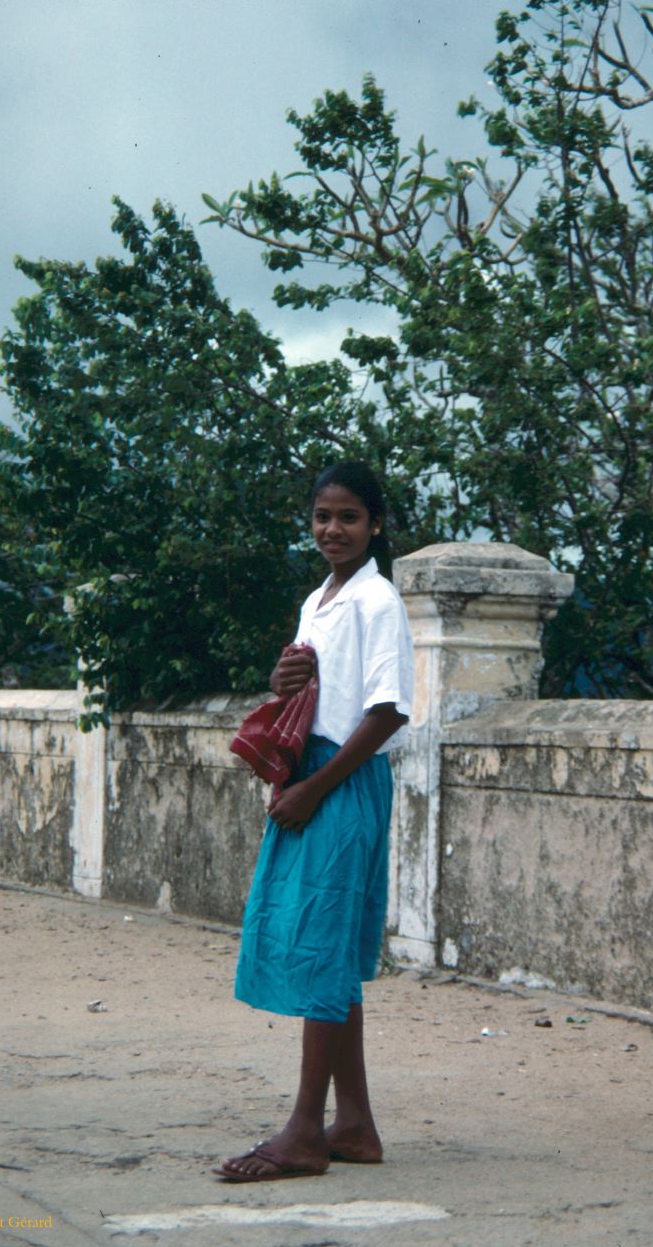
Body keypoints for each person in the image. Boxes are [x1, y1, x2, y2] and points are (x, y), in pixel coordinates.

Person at [215, 459, 414, 1183]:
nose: (333, 529)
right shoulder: (320, 600)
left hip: (343, 781)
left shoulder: (377, 600)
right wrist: (283, 683)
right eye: (323, 517)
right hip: (312, 778)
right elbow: (318, 691)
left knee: (322, 945)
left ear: (376, 524)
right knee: (323, 944)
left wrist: (316, 790)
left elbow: (387, 710)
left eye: (349, 517)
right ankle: (353, 1125)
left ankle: (304, 1131)